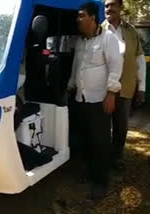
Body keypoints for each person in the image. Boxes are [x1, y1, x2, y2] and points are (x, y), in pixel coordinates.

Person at [67, 2, 123, 200]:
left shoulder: (109, 38)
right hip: (80, 99)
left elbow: (116, 67)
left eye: (82, 16)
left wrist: (111, 93)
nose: (78, 19)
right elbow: (76, 67)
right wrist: (70, 86)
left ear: (92, 17)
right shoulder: (81, 42)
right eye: (78, 16)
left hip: (99, 100)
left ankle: (100, 182)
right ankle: (89, 171)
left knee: (100, 142)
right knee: (85, 139)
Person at [102, 0, 147, 171]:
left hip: (126, 87)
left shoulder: (131, 31)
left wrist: (141, 87)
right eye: (106, 6)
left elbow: (139, 60)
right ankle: (101, 159)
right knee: (102, 127)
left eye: (113, 5)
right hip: (103, 90)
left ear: (121, 8)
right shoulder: (98, 30)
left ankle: (117, 157)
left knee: (121, 127)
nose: (109, 9)